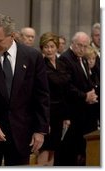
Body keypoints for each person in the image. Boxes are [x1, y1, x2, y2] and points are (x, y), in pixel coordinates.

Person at [0, 13, 50, 166]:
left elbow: (42, 95)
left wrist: (40, 130)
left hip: (22, 134)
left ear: (12, 35)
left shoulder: (32, 57)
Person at [58, 32, 98, 165]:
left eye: (85, 46)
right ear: (73, 43)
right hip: (71, 111)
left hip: (84, 111)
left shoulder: (83, 58)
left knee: (82, 149)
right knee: (69, 151)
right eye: (79, 45)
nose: (82, 49)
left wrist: (92, 93)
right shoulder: (65, 59)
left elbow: (87, 80)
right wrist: (85, 96)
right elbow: (67, 86)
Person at [37, 32, 71, 166]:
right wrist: (44, 120)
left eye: (52, 46)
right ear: (42, 49)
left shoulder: (62, 64)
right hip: (47, 113)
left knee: (54, 150)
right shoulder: (40, 65)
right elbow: (40, 94)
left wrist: (66, 116)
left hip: (60, 113)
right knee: (44, 149)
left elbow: (66, 91)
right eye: (46, 47)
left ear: (57, 47)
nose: (49, 50)